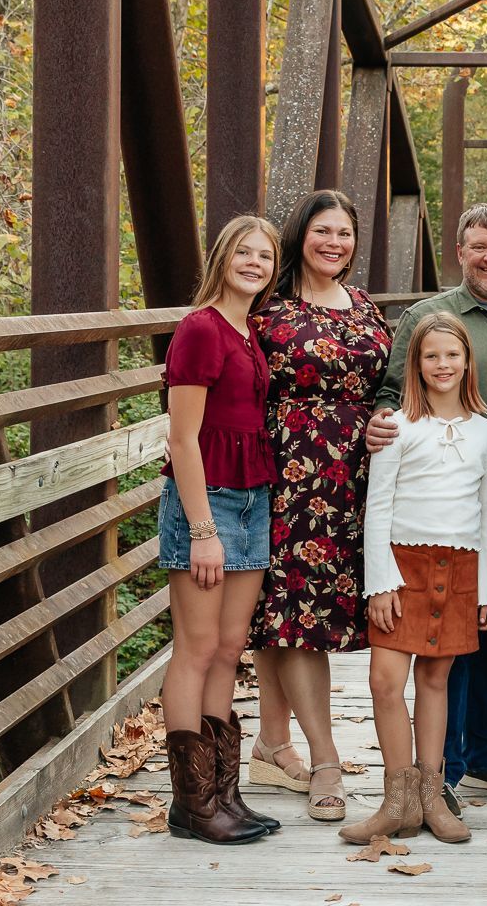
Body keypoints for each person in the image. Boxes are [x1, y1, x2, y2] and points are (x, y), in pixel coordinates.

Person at [366, 203, 487, 815]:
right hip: (438, 501)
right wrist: (378, 424)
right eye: (478, 246)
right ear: (460, 249)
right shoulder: (430, 317)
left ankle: (486, 756)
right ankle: (437, 771)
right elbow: (394, 394)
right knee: (440, 649)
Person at [246, 191, 393, 822]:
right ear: (299, 235)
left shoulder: (366, 308)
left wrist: (386, 420)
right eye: (321, 231)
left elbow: (391, 382)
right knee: (295, 612)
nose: (333, 243)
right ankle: (326, 759)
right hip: (289, 474)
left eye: (344, 233)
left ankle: (272, 743)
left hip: (357, 477)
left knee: (294, 613)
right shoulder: (267, 308)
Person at [342, 314, 487, 846]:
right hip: (402, 566)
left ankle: (433, 796)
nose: (443, 365)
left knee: (436, 681)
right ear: (416, 363)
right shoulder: (397, 425)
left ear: (467, 363)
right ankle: (398, 801)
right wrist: (381, 582)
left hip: (458, 567)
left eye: (452, 356)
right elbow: (378, 507)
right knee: (386, 680)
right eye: (431, 356)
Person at [157, 215, 286, 846]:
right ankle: (191, 805)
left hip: (252, 499)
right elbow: (182, 438)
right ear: (222, 257)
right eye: (244, 252)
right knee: (198, 646)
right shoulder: (200, 329)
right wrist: (202, 528)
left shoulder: (248, 330)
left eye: (265, 256)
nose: (255, 264)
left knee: (231, 649)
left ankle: (222, 795)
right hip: (206, 502)